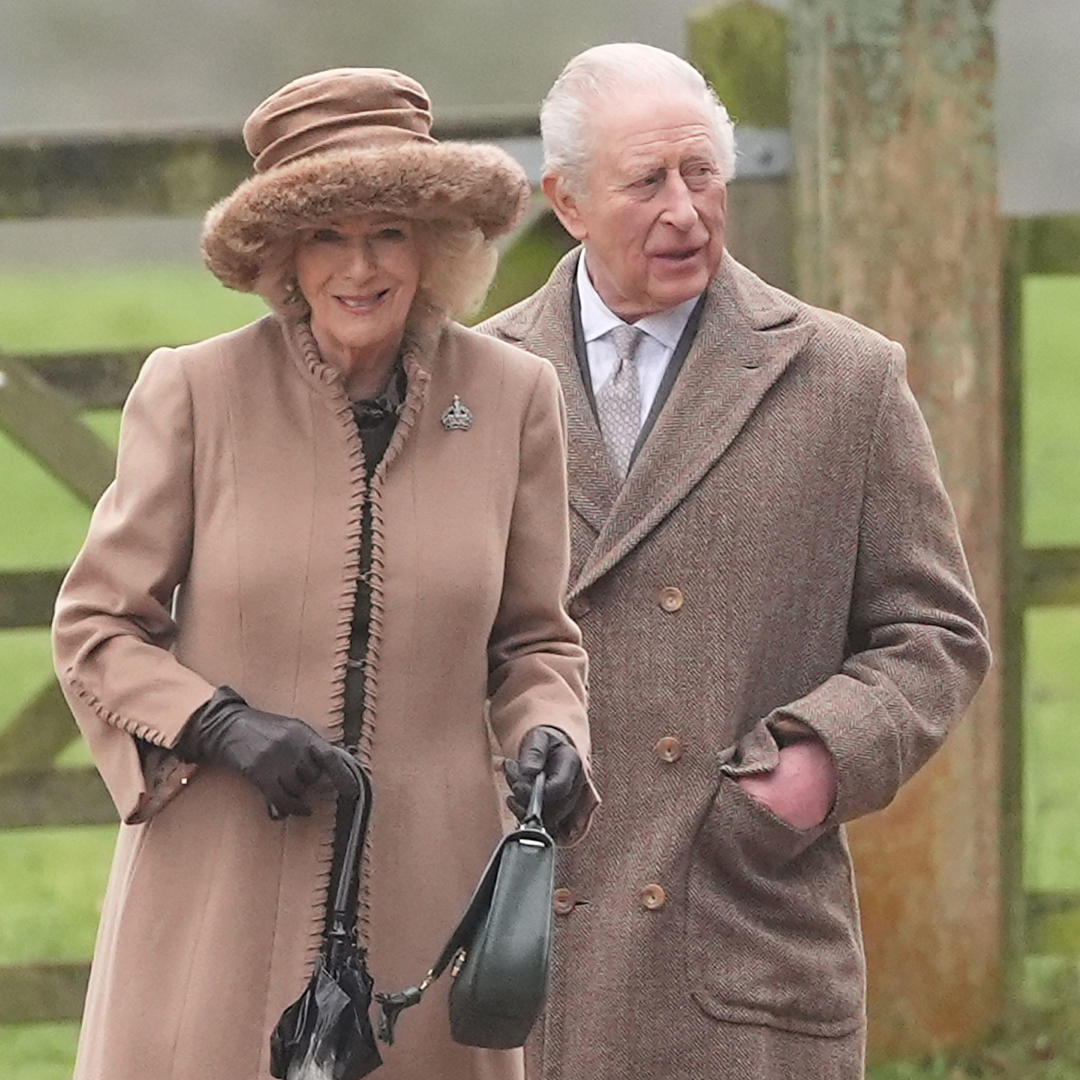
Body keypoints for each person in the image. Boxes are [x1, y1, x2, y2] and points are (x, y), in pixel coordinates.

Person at [52, 67, 598, 1080]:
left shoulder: (513, 397)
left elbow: (534, 638)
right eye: (327, 235)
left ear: (433, 245)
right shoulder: (196, 392)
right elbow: (97, 629)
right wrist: (219, 724)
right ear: (283, 257)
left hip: (429, 896)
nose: (360, 266)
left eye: (387, 231)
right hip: (219, 885)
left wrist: (552, 733)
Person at [478, 42, 991, 1080]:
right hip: (526, 933)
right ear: (566, 202)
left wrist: (811, 767)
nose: (686, 211)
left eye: (702, 172)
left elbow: (936, 634)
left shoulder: (843, 378)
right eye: (647, 182)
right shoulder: (476, 383)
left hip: (738, 936)